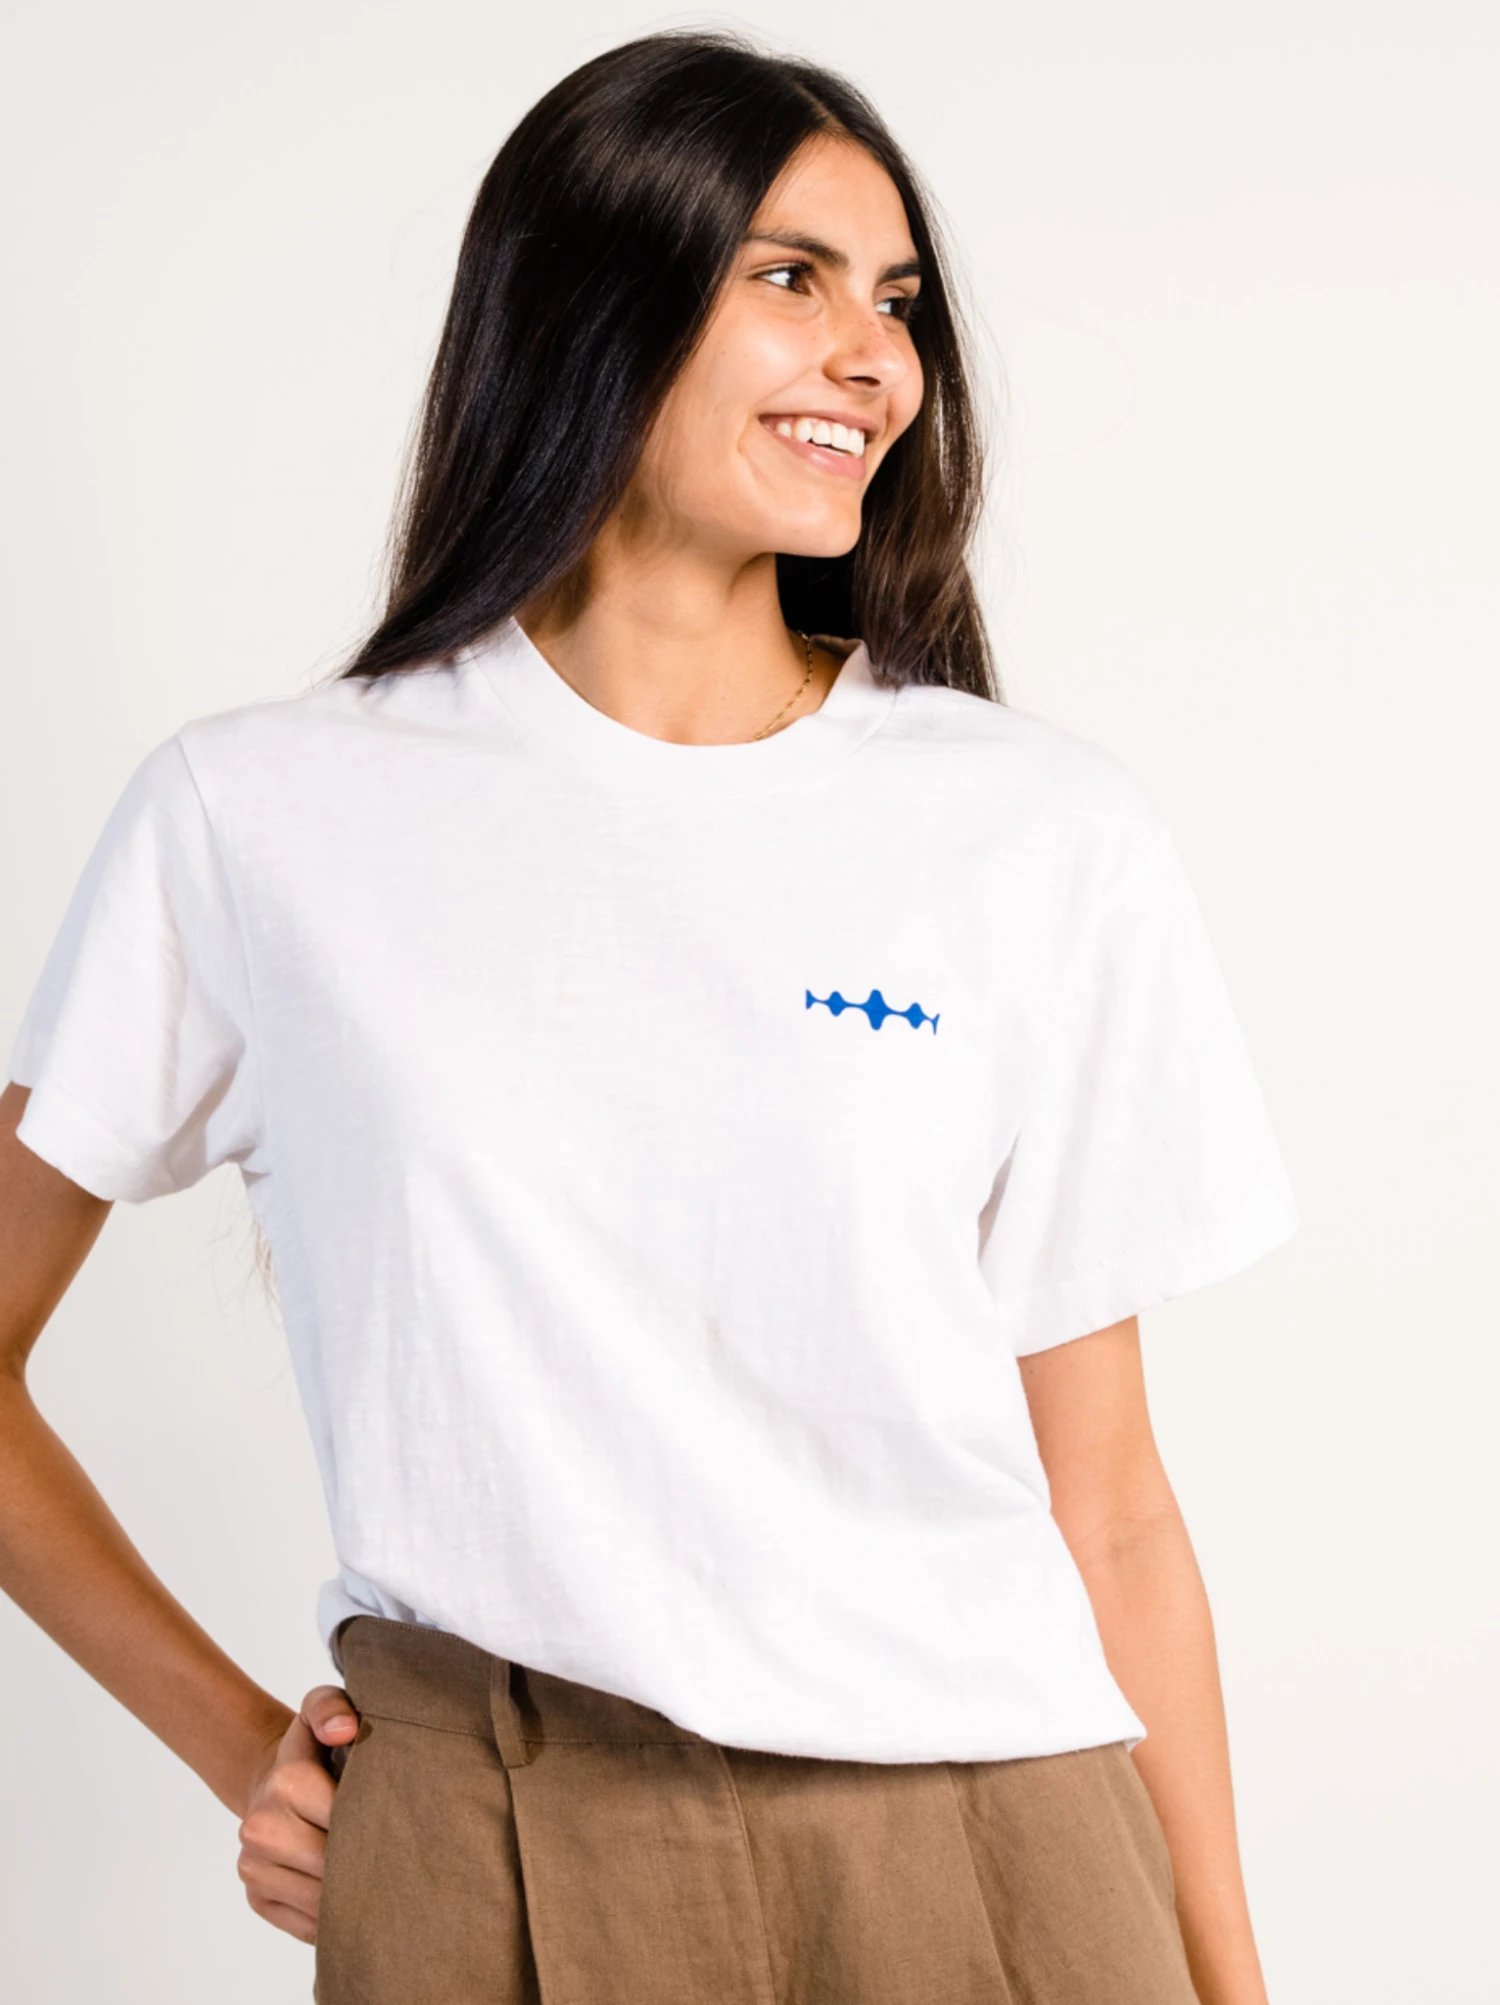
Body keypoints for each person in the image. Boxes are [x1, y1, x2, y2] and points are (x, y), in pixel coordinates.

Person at [0, 30, 1300, 2005]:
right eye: (793, 278)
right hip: (493, 1859)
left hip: (1002, 1859)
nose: (875, 360)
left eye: (897, 302)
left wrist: (1232, 1979)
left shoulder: (1033, 833)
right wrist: (237, 1746)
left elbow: (1110, 1505)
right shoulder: (262, 818)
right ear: (586, 305)